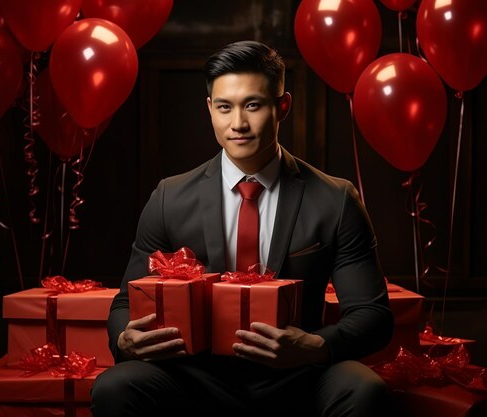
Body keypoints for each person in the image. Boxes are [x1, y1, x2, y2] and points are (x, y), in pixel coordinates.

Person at [91, 40, 394, 417]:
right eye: (224, 107)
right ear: (209, 110)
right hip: (195, 378)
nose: (238, 123)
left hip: (297, 375)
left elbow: (373, 315)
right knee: (115, 387)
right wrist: (125, 338)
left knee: (364, 389)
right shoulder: (170, 197)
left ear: (282, 106)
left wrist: (316, 346)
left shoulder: (335, 199)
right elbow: (124, 301)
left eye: (253, 105)